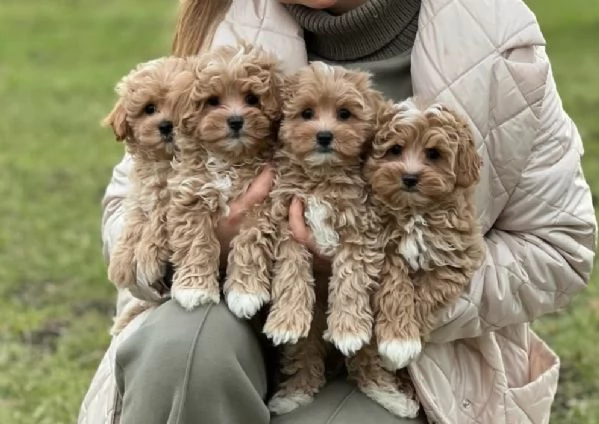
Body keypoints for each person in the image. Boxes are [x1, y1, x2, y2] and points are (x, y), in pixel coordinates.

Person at [79, 1, 597, 423]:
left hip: (421, 359)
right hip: (246, 308)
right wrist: (206, 242)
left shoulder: (495, 36)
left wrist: (393, 294)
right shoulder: (225, 22)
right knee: (179, 348)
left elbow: (560, 245)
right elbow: (134, 199)